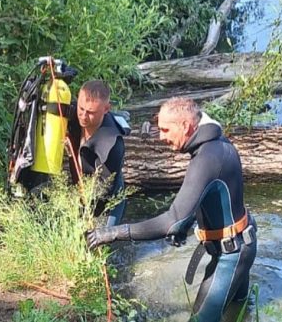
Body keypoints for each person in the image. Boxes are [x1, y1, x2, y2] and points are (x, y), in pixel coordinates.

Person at [86, 97, 257, 322]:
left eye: (166, 129)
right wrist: (187, 225)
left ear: (185, 126)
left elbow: (171, 221)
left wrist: (113, 233)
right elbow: (212, 196)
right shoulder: (214, 144)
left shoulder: (207, 158)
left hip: (231, 254)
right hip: (241, 240)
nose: (161, 136)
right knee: (241, 310)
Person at [68, 80, 128, 227]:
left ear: (106, 108)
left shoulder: (111, 144)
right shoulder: (75, 112)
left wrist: (74, 202)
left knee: (100, 239)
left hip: (107, 199)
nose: (83, 116)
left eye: (91, 112)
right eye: (81, 109)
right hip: (81, 184)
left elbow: (102, 191)